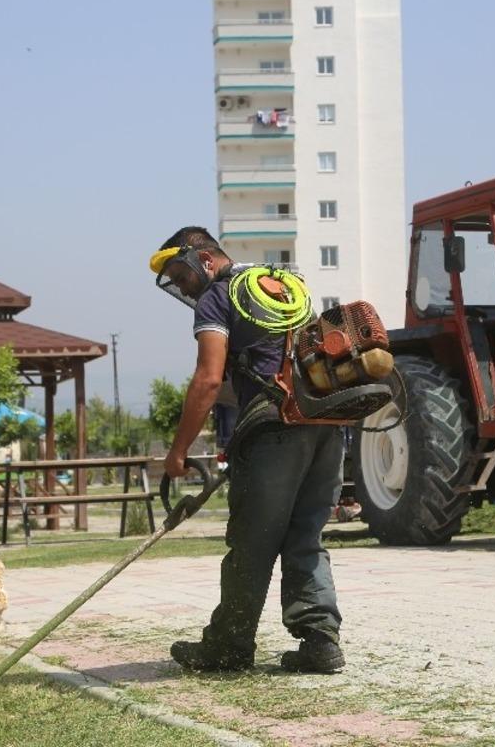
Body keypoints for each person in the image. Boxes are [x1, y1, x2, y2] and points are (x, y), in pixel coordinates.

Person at [152, 226, 346, 674]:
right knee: (305, 536)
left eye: (182, 276)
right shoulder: (283, 287)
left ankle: (228, 647)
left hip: (275, 431)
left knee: (252, 541)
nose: (183, 288)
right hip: (323, 423)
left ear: (204, 260)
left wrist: (178, 452)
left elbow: (207, 379)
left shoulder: (218, 297)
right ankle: (321, 642)